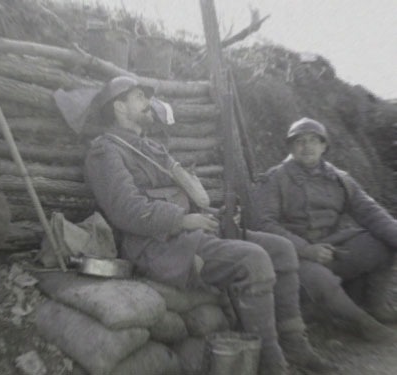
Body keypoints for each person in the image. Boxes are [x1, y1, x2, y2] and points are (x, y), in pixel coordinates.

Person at [84, 77, 334, 375]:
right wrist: (181, 220)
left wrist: (217, 215)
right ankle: (271, 363)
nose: (148, 103)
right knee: (253, 259)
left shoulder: (152, 148)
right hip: (156, 246)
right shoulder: (105, 152)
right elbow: (125, 210)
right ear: (119, 106)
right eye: (139, 97)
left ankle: (295, 344)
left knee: (282, 250)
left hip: (189, 232)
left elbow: (188, 196)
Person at [254, 117, 397, 342]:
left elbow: (370, 212)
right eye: (300, 141)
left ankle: (375, 306)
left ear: (324, 146)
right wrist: (306, 249)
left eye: (313, 140)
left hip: (331, 248)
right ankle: (363, 324)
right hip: (292, 256)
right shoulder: (275, 179)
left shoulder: (339, 178)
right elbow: (263, 224)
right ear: (291, 147)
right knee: (319, 279)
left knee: (383, 242)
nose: (307, 146)